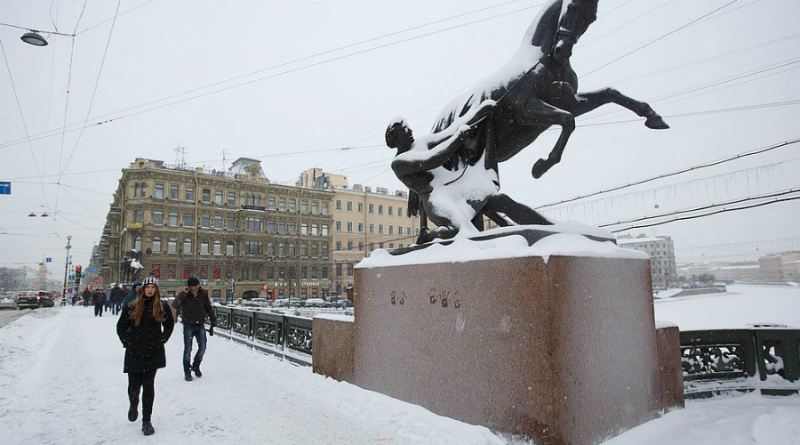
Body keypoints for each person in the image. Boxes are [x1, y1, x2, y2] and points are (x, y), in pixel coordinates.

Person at [387, 100, 550, 243]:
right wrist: (458, 139)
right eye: (404, 129)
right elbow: (433, 159)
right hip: (438, 198)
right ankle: (429, 235)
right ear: (395, 138)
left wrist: (479, 113)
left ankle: (551, 230)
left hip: (458, 190)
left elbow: (450, 131)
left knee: (503, 201)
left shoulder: (422, 142)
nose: (410, 130)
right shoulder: (399, 163)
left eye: (408, 127)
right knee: (462, 231)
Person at [116, 276, 174, 436]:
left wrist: (164, 338)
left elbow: (169, 323)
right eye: (147, 287)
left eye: (153, 288)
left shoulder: (161, 306)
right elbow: (120, 327)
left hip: (153, 351)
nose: (150, 290)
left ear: (156, 290)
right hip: (134, 351)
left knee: (148, 386)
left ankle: (146, 421)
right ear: (143, 289)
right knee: (134, 386)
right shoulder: (132, 306)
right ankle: (133, 404)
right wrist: (127, 341)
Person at [172, 277, 216, 381]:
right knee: (188, 349)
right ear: (189, 286)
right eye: (193, 286)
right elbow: (175, 304)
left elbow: (208, 307)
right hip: (188, 325)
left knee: (203, 347)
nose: (195, 287)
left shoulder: (203, 294)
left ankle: (196, 365)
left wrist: (213, 319)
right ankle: (187, 372)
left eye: (197, 285)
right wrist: (183, 293)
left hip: (200, 324)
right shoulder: (185, 295)